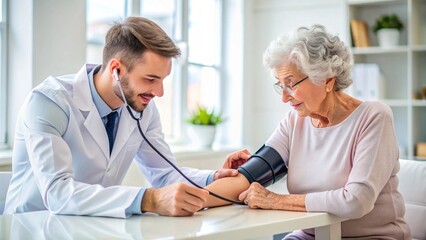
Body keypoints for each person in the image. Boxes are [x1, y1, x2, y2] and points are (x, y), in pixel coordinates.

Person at [3, 17, 242, 218]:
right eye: (150, 79)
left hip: (92, 226)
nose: (159, 92)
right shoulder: (49, 102)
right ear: (116, 69)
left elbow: (164, 173)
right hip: (31, 227)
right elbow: (58, 193)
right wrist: (148, 200)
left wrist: (213, 176)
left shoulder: (141, 107)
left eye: (162, 80)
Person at [201, 25, 412, 239]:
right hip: (310, 235)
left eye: (291, 84)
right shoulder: (294, 122)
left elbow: (356, 201)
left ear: (327, 80)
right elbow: (247, 179)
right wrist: (190, 199)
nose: (284, 97)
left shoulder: (374, 117)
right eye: (280, 85)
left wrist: (276, 200)